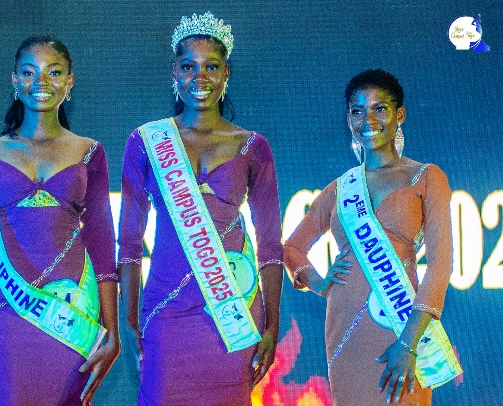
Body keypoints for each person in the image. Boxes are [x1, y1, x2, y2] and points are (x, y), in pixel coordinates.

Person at [118, 12, 284, 405]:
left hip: (231, 312)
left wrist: (272, 324)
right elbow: (129, 242)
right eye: (189, 66)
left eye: (211, 67)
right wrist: (128, 318)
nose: (200, 77)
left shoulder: (253, 146)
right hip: (166, 311)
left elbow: (270, 246)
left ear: (226, 74)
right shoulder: (146, 141)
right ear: (174, 73)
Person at [284, 69, 462, 405]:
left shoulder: (426, 177)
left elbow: (440, 267)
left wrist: (407, 344)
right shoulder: (340, 188)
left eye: (380, 109)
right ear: (348, 118)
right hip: (345, 330)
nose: (368, 120)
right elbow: (291, 248)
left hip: (402, 323)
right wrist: (318, 282)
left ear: (400, 114)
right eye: (357, 110)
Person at [0, 35, 120, 406]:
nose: (41, 82)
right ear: (14, 79)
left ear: (70, 80)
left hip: (72, 310)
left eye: (54, 72)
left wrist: (112, 332)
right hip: (5, 311)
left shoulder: (90, 151)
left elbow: (101, 240)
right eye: (29, 72)